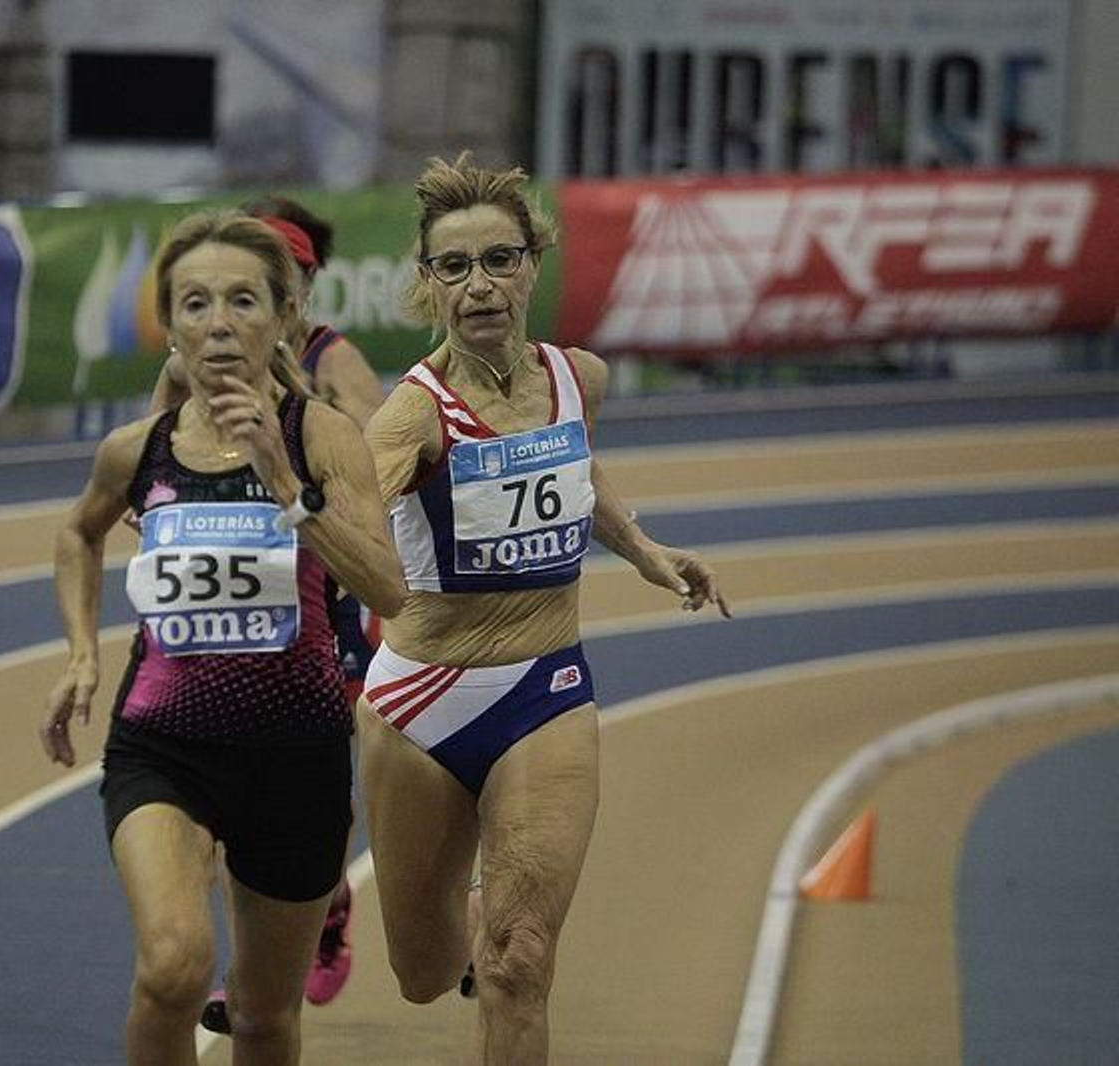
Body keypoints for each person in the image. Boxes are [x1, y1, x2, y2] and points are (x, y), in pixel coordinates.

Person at [358, 153, 731, 1063]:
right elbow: (349, 544)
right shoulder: (408, 420)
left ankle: (503, 926)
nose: (480, 285)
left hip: (545, 688)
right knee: (424, 970)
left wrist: (643, 549)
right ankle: (472, 911)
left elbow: (568, 468)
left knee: (520, 962)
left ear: (533, 263)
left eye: (499, 259)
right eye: (455, 267)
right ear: (428, 283)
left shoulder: (578, 379)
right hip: (418, 707)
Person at [40, 209, 405, 1065]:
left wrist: (285, 485)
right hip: (163, 748)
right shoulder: (138, 450)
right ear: (170, 326)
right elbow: (77, 534)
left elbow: (388, 586)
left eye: (243, 301)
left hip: (297, 759)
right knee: (173, 966)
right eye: (195, 304)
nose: (218, 325)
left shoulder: (322, 438)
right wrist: (83, 655)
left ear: (285, 316)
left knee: (264, 1017)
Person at [149, 196, 384, 1020]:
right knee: (210, 804)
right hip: (221, 616)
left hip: (326, 593)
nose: (229, 313)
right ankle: (247, 966)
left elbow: (384, 457)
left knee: (320, 780)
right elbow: (152, 467)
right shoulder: (191, 366)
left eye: (272, 283)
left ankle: (323, 909)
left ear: (300, 291)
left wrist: (304, 435)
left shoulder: (333, 359)